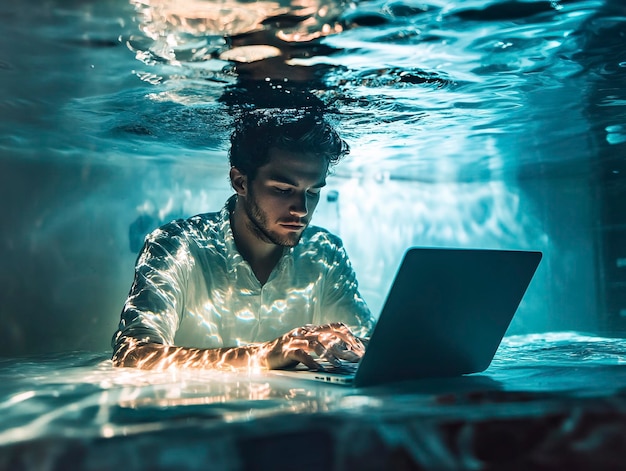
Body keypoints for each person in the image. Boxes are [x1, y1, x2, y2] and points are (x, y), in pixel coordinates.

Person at [111, 108, 374, 371]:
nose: (301, 209)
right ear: (240, 183)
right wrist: (264, 355)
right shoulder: (176, 245)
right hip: (194, 409)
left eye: (313, 192)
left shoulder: (325, 252)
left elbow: (368, 348)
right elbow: (132, 353)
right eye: (283, 190)